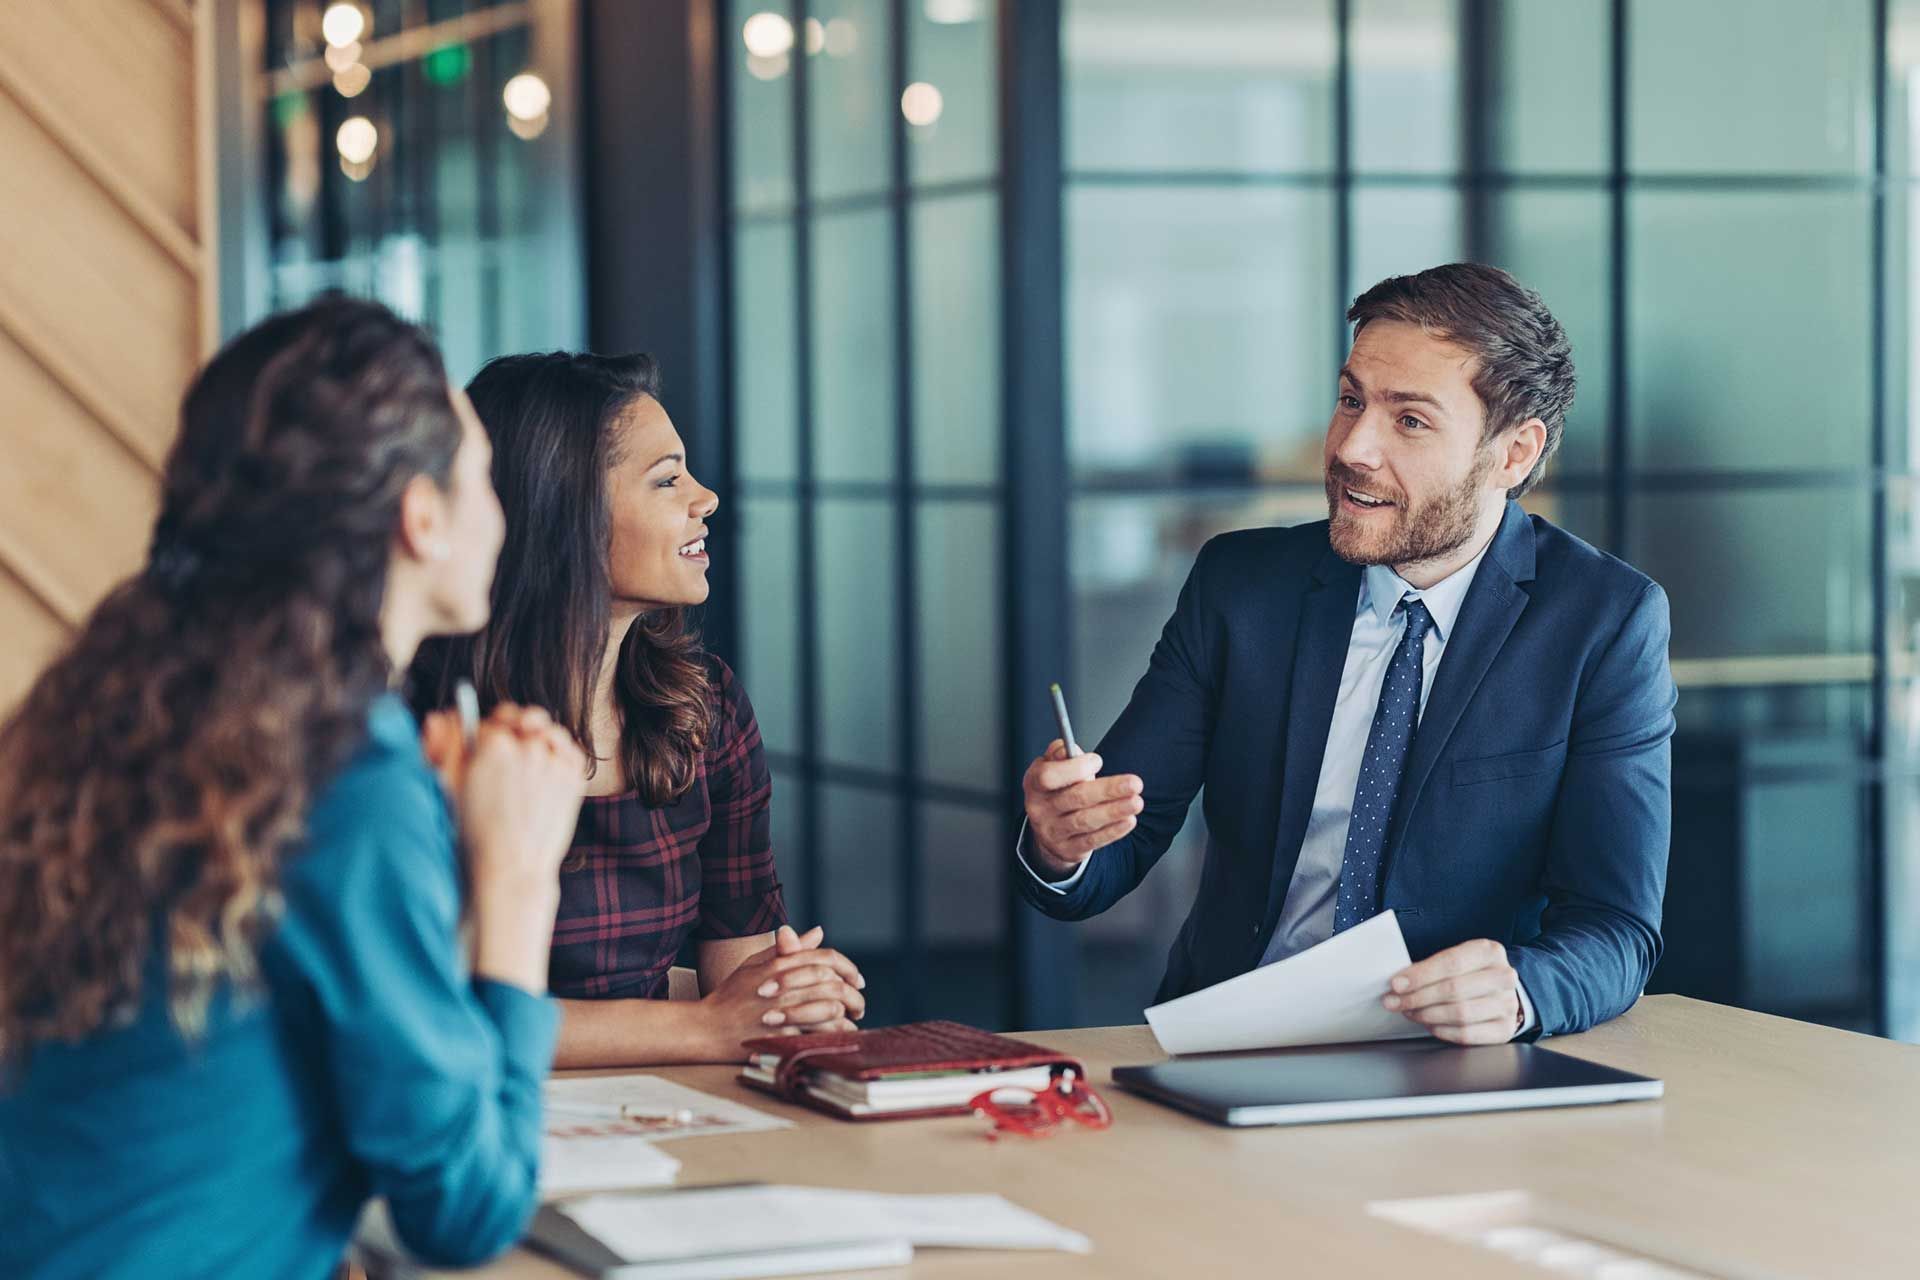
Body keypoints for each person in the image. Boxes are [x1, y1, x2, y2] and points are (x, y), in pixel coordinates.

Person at [0, 296, 588, 1277]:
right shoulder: (351, 773)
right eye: (484, 474)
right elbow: (466, 1207)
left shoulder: (152, 718)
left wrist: (438, 859)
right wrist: (521, 878)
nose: (502, 513)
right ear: (421, 516)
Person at [1018, 263, 1674, 1043]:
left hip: (1451, 1063)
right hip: (1230, 1042)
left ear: (1513, 454)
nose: (1353, 447)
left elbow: (1615, 928)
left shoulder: (1604, 622)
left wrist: (1520, 992)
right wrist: (1063, 845)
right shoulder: (1242, 587)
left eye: (1410, 421)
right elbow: (1115, 845)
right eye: (1352, 400)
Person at [411, 352, 865, 1069]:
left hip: (666, 1119)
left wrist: (788, 995)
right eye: (667, 479)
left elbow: (739, 971)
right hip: (479, 1116)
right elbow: (426, 1014)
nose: (706, 497)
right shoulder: (426, 724)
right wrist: (707, 1028)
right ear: (563, 510)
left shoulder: (704, 705)